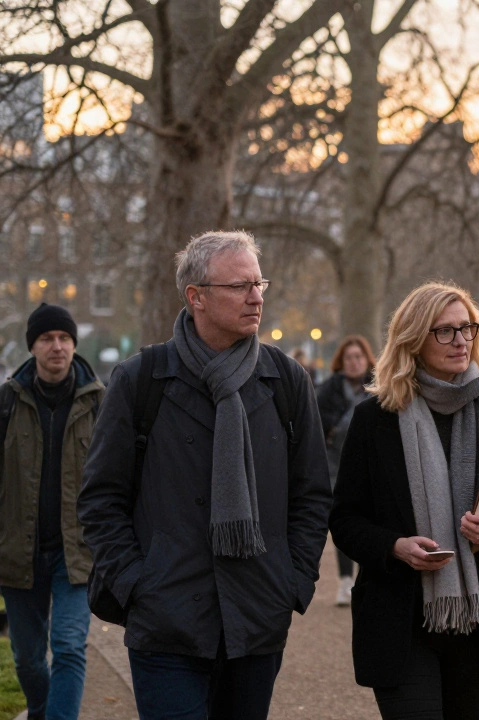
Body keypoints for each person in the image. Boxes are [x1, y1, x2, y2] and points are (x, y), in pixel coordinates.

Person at [78, 231, 332, 720]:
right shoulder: (140, 380)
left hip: (256, 617)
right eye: (240, 286)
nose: (256, 297)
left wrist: (292, 582)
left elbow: (313, 495)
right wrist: (136, 584)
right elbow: (101, 498)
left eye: (259, 284)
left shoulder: (286, 380)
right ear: (196, 296)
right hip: (166, 617)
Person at [329, 282, 479, 720]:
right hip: (399, 615)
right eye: (444, 331)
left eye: (467, 328)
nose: (461, 340)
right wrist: (395, 547)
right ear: (413, 339)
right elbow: (345, 519)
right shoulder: (376, 417)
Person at [0, 304, 105, 720]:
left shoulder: (100, 403)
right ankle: (43, 711)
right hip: (16, 552)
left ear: (74, 344)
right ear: (33, 347)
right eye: (46, 339)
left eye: (63, 338)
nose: (56, 346)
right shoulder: (7, 402)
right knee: (27, 657)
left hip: (75, 552)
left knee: (68, 645)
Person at [316, 335, 376, 606]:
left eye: (358, 357)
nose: (354, 363)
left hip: (369, 463)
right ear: (341, 361)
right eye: (349, 357)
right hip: (333, 463)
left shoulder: (379, 386)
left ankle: (367, 577)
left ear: (367, 360)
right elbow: (317, 421)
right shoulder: (328, 389)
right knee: (342, 518)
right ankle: (344, 580)